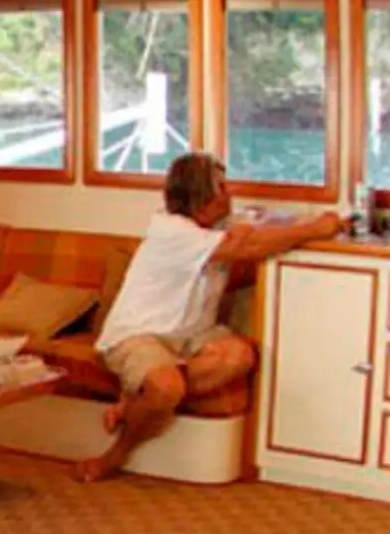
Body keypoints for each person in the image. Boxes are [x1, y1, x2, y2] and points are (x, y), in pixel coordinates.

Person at [77, 151, 341, 482]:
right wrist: (317, 228)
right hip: (140, 334)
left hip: (194, 335)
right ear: (201, 196)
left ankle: (133, 403)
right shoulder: (171, 230)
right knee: (166, 386)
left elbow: (256, 232)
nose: (228, 193)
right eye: (222, 187)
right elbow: (245, 247)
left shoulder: (215, 228)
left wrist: (265, 227)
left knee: (240, 356)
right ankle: (114, 456)